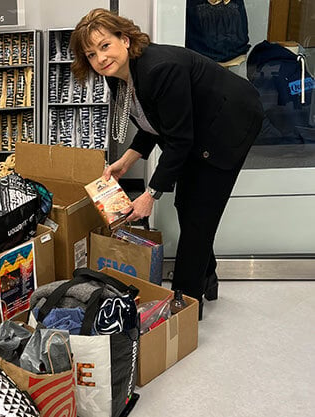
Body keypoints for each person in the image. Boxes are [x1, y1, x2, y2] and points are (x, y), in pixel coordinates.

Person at [70, 8, 263, 319]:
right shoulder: (118, 77)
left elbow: (179, 140)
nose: (100, 59)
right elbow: (154, 121)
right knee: (187, 206)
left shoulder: (159, 69)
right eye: (91, 54)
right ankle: (206, 277)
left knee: (198, 214)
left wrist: (151, 194)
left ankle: (184, 308)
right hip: (195, 126)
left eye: (105, 45)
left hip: (230, 122)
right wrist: (127, 159)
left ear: (125, 39)